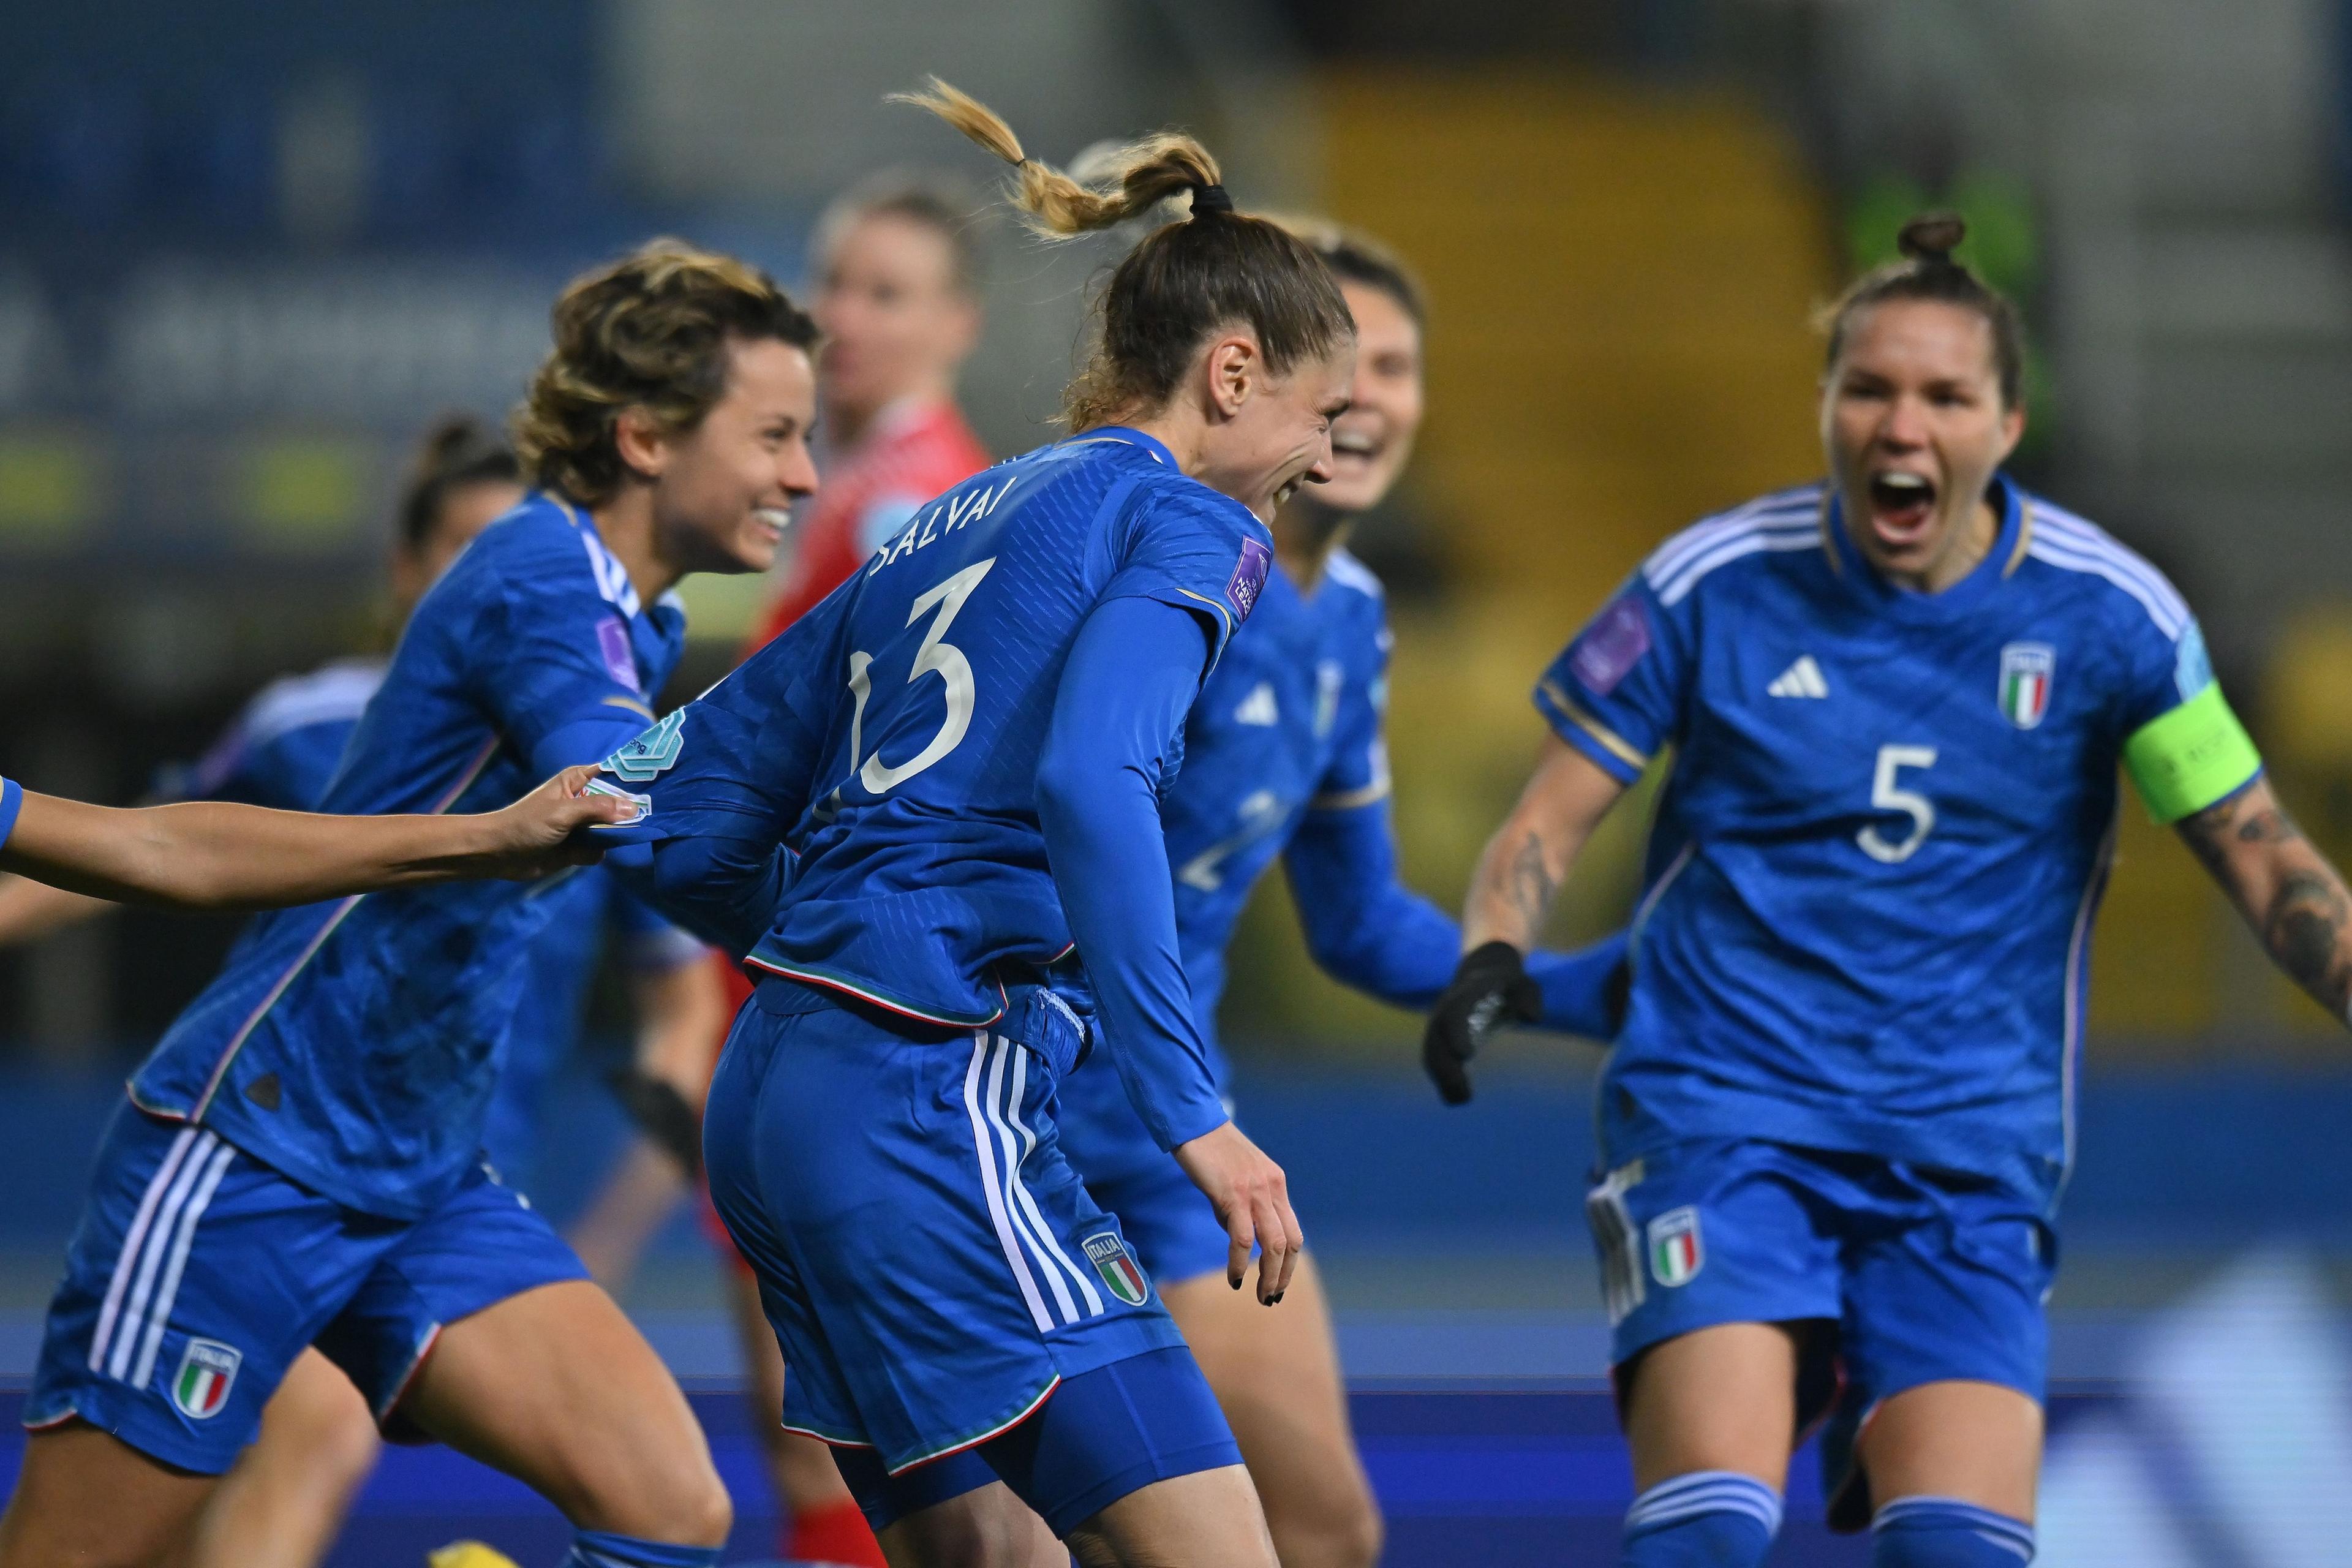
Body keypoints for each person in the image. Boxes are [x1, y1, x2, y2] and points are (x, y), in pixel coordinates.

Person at [1420, 214, 2352, 1568]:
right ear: (1827, 407)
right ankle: (1804, 1362)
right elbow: (1546, 822)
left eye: (1944, 395)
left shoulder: (2116, 621)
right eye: (1870, 388)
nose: (1901, 423)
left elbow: (2264, 850)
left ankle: (1848, 1367)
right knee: (1706, 1537)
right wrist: (1492, 949)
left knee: (1956, 1552)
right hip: (1724, 1114)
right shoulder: (1714, 583)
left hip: (1966, 1151)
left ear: (2009, 423)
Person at [600, 79, 1350, 1567]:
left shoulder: (958, 509)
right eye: (1318, 417)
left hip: (782, 1099)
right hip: (933, 1095)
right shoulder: (1196, 523)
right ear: (1234, 370)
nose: (1317, 462)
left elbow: (673, 812)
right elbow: (1092, 781)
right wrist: (1195, 1111)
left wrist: (822, 954)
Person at [0, 237, 820, 1568]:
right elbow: (631, 800)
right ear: (648, 438)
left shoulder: (638, 620)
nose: (803, 473)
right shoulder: (542, 578)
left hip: (422, 1174)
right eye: (775, 433)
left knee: (671, 1502)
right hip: (252, 1157)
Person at [1049, 221, 1626, 1568]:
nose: (1368, 397)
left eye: (1397, 364)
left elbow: (1357, 919)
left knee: (1324, 1527)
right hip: (1030, 1112)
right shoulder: (1157, 561)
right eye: (1339, 363)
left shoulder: (1349, 622)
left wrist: (1596, 988)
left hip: (1173, 1143)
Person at [699, 170, 999, 1568]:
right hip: (779, 948)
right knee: (811, 1369)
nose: (845, 317)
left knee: (822, 1380)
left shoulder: (912, 501)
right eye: (835, 284)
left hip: (815, 956)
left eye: (887, 290)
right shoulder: (858, 480)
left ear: (959, 320)